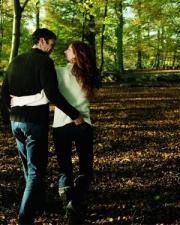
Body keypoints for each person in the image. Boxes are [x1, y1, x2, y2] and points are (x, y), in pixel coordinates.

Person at [0, 28, 83, 225]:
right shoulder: (44, 62)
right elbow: (53, 94)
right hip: (34, 123)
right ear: (42, 41)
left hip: (16, 122)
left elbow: (4, 92)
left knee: (28, 169)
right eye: (52, 45)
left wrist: (8, 116)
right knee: (36, 171)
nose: (52, 50)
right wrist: (74, 114)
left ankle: (38, 203)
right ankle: (24, 218)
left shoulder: (16, 61)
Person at [52, 41, 96, 224]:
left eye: (68, 49)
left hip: (61, 125)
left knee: (64, 168)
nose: (64, 51)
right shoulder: (90, 74)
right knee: (85, 167)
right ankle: (75, 203)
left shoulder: (59, 71)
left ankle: (68, 205)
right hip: (83, 124)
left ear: (76, 54)